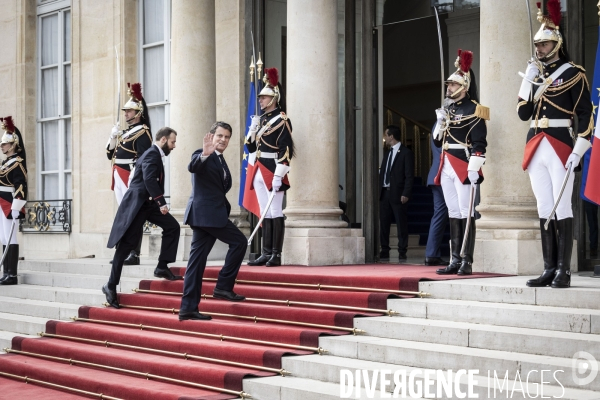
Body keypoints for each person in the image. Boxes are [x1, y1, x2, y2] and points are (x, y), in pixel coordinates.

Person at [517, 0, 593, 289]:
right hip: (536, 143)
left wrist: (580, 147)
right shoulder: (536, 74)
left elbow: (586, 113)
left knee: (562, 207)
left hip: (561, 143)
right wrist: (529, 82)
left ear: (557, 43)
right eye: (538, 46)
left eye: (545, 45)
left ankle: (564, 270)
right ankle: (549, 267)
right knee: (544, 206)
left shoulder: (573, 73)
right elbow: (523, 113)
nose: (540, 50)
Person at [102, 127, 182, 309]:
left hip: (147, 204)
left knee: (172, 227)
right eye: (172, 142)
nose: (174, 145)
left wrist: (157, 202)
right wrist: (161, 202)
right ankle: (110, 285)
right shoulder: (152, 154)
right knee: (126, 246)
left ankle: (162, 266)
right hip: (138, 204)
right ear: (163, 140)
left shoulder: (154, 154)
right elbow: (148, 179)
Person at [179, 122, 247, 321]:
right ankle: (223, 287)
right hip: (207, 216)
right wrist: (205, 154)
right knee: (239, 242)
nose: (223, 140)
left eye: (227, 137)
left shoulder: (220, 159)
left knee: (196, 263)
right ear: (211, 136)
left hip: (208, 216)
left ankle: (188, 308)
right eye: (220, 136)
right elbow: (193, 166)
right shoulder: (203, 154)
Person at [433, 49, 489, 276]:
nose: (449, 88)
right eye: (448, 85)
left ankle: (467, 260)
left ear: (464, 86)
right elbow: (438, 142)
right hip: (445, 163)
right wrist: (439, 123)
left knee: (467, 212)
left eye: (453, 85)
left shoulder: (475, 109)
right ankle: (455, 259)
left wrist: (474, 168)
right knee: (453, 212)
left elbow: (480, 143)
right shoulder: (447, 109)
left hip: (463, 163)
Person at [245, 67, 294, 267]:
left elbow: (286, 149)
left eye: (264, 97)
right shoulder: (262, 119)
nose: (260, 100)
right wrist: (252, 129)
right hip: (258, 167)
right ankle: (265, 253)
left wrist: (279, 174)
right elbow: (249, 147)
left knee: (275, 211)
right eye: (260, 97)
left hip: (273, 168)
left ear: (274, 99)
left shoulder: (282, 120)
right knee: (265, 212)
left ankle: (276, 254)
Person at [106, 83, 153, 266]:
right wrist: (112, 137)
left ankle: (134, 253)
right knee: (124, 215)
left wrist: (135, 173)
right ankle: (123, 251)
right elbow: (111, 154)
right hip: (118, 174)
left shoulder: (143, 133)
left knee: (133, 216)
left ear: (138, 113)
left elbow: (145, 157)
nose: (125, 114)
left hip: (130, 176)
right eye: (125, 111)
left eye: (129, 111)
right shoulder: (125, 133)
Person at [378, 125, 414, 262]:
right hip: (385, 193)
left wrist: (406, 193)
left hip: (398, 194)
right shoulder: (387, 153)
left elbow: (409, 176)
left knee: (401, 223)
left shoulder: (406, 153)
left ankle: (402, 250)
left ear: (391, 136)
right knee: (384, 223)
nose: (384, 138)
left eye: (385, 135)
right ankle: (385, 249)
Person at [0, 117, 27, 285]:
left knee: (11, 238)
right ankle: (5, 271)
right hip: (2, 202)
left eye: (4, 144)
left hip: (10, 203)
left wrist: (17, 206)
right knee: (3, 237)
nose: (2, 146)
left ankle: (13, 274)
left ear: (12, 145)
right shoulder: (5, 163)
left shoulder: (17, 163)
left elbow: (20, 186)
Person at [424, 133, 449, 266]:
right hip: (445, 173)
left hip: (436, 174)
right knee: (460, 212)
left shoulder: (437, 124)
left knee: (439, 215)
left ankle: (431, 254)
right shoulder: (445, 122)